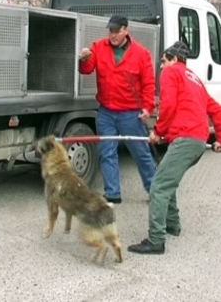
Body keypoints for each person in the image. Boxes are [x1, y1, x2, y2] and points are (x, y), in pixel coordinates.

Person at [128, 41, 221, 255]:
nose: (161, 66)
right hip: (196, 140)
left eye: (163, 61)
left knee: (158, 186)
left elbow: (168, 105)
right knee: (167, 180)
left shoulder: (171, 73)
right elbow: (216, 109)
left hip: (185, 139)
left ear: (174, 59)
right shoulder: (194, 78)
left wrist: (158, 131)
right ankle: (172, 224)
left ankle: (156, 240)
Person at [79, 13, 157, 204]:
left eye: (116, 31)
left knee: (141, 154)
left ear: (125, 30)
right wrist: (83, 59)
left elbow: (148, 84)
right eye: (110, 31)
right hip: (106, 111)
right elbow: (87, 69)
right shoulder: (99, 47)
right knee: (107, 153)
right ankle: (112, 193)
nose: (112, 35)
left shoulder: (141, 54)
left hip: (131, 113)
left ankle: (155, 192)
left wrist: (147, 108)